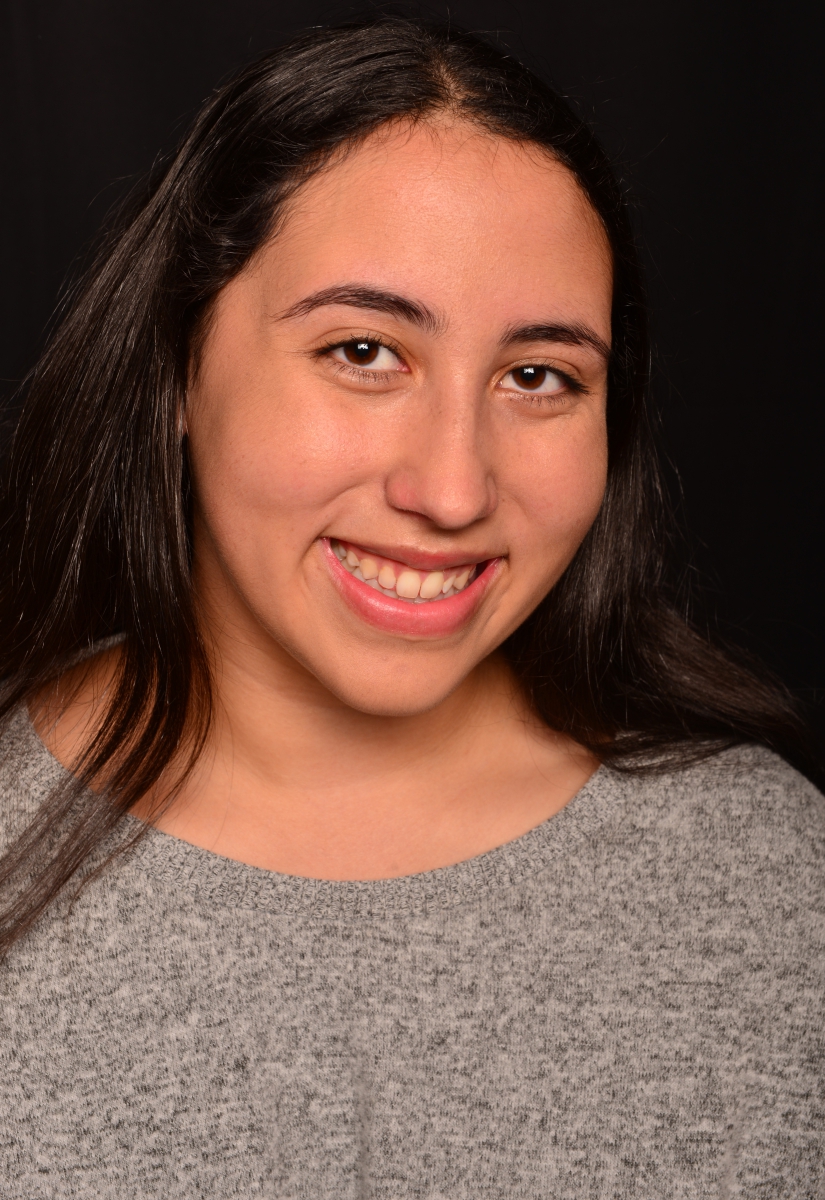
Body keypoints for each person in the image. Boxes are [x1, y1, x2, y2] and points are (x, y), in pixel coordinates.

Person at [0, 17, 822, 1197]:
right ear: (177, 363)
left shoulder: (773, 884)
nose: (451, 490)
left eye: (537, 376)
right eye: (364, 352)